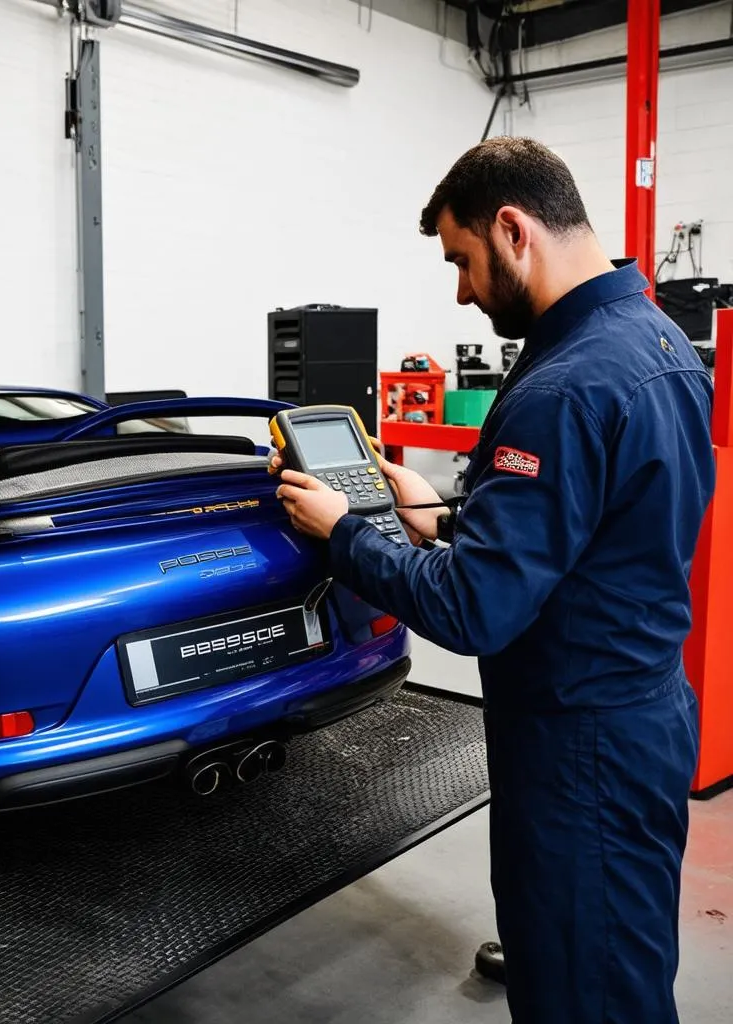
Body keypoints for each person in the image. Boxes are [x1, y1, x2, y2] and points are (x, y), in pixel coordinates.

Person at [272, 136, 715, 1024]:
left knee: (582, 990)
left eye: (462, 261)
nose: (462, 291)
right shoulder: (658, 338)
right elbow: (587, 529)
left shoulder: (564, 385)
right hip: (645, 715)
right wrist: (435, 509)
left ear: (513, 230)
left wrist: (346, 532)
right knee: (624, 964)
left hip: (576, 746)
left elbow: (476, 607)